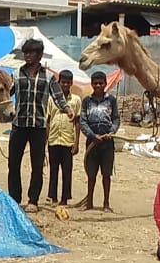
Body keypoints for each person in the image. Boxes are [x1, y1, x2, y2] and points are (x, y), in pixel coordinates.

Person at [8, 39, 74, 213]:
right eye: (25, 52)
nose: (27, 55)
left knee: (37, 165)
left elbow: (58, 95)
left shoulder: (49, 76)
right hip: (19, 124)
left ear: (38, 55)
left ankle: (33, 200)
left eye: (30, 52)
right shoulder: (16, 74)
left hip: (38, 126)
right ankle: (14, 199)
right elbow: (6, 94)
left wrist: (66, 109)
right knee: (13, 163)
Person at [79, 71, 120, 212]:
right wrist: (92, 135)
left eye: (100, 83)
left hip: (107, 143)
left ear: (105, 84)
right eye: (95, 83)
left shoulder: (111, 100)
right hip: (92, 143)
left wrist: (112, 131)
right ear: (92, 84)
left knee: (106, 174)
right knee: (91, 174)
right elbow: (83, 121)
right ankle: (89, 202)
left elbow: (116, 119)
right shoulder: (86, 101)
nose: (98, 85)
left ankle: (106, 203)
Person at [45, 70, 81, 206]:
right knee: (53, 170)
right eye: (62, 82)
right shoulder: (51, 100)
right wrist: (46, 139)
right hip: (53, 139)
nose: (65, 84)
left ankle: (65, 198)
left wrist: (77, 142)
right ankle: (53, 197)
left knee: (67, 171)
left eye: (68, 82)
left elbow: (77, 122)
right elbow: (48, 120)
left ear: (71, 83)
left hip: (67, 140)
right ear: (58, 83)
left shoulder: (76, 100)